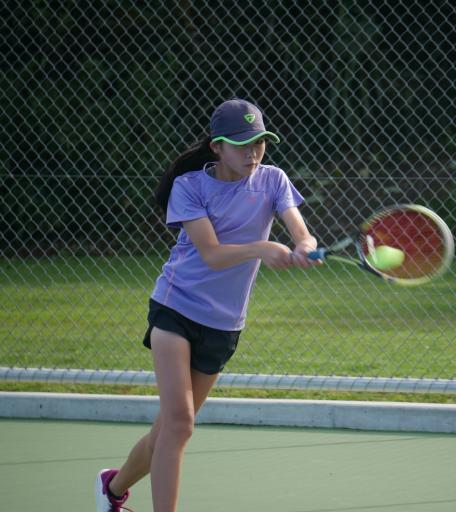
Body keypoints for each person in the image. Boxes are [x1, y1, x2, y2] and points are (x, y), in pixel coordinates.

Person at [94, 98, 320, 512]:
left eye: (259, 142)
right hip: (175, 308)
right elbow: (212, 253)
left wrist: (304, 246)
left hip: (224, 323)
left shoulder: (273, 180)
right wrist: (263, 248)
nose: (253, 153)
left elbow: (300, 231)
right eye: (241, 144)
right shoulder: (190, 187)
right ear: (217, 147)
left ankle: (113, 487)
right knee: (180, 424)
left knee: (168, 430)